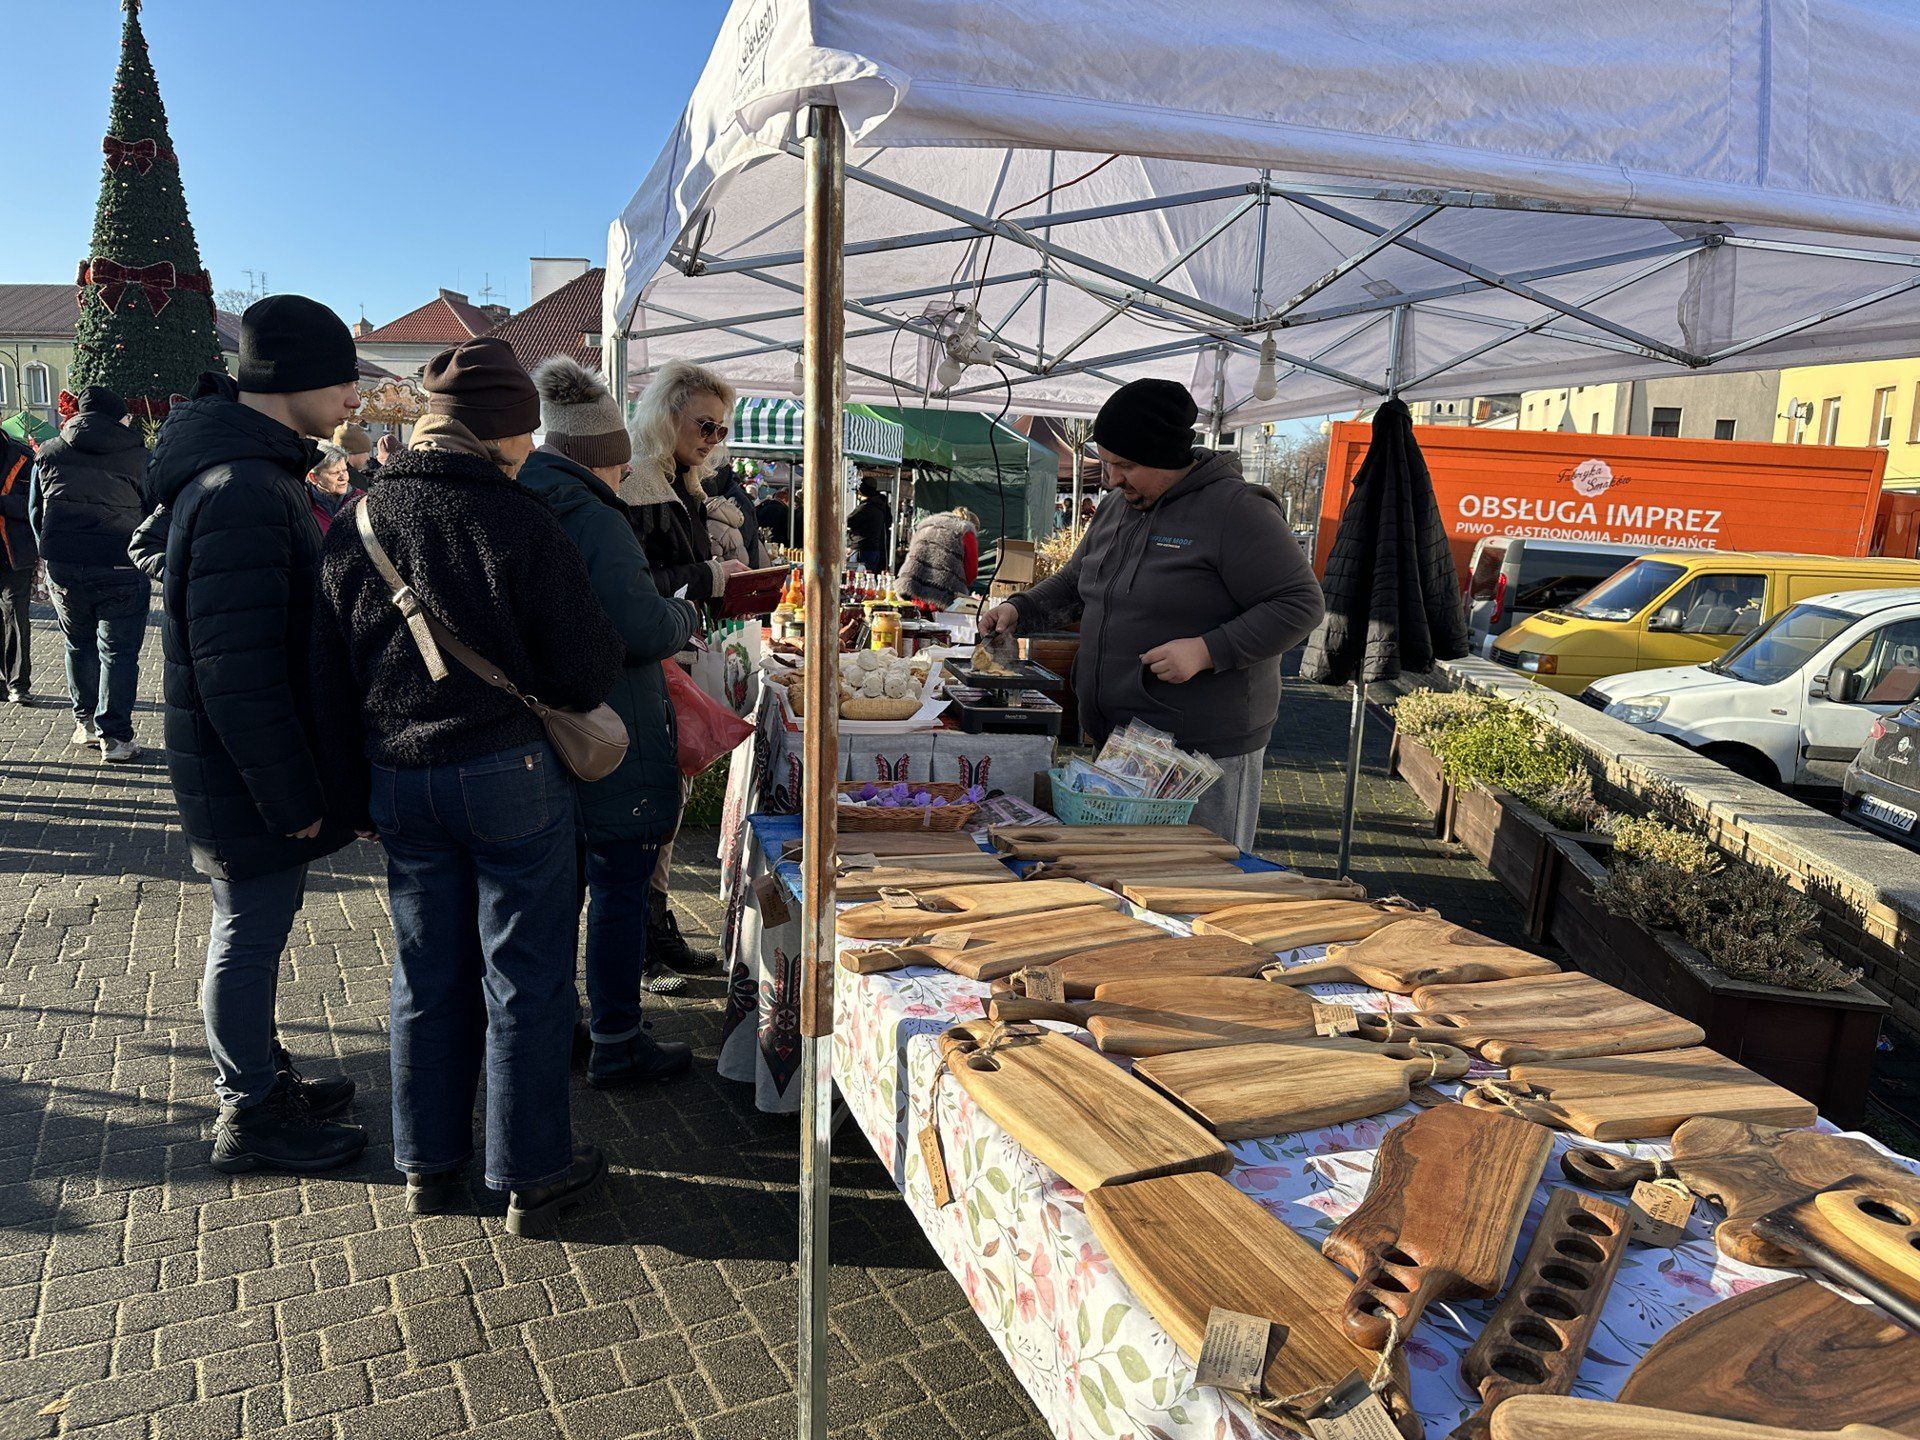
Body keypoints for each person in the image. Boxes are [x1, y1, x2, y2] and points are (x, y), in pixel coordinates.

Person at [310, 336, 625, 1236]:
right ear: (505, 434)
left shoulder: (361, 519)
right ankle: (533, 1175)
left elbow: (326, 672)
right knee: (523, 975)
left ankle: (427, 1165)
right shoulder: (519, 519)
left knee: (425, 972)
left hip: (399, 778)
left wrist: (350, 794)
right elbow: (586, 668)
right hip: (506, 773)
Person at [148, 295, 368, 1173]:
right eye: (343, 376)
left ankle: (263, 1075)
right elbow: (236, 671)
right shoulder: (242, 488)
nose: (356, 394)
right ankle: (250, 1111)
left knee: (252, 927)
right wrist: (289, 795)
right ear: (291, 380)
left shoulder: (253, 472)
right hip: (242, 772)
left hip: (237, 765)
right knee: (246, 933)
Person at [980, 378, 1325, 851]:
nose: (1112, 478)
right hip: (1121, 742)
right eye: (1107, 461)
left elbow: (1300, 603)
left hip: (1199, 754)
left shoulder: (1236, 510)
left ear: (1169, 457)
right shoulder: (1118, 507)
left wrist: (1208, 650)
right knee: (1125, 874)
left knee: (1196, 885)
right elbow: (1077, 581)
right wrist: (1019, 609)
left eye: (1127, 465)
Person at [521, 355, 699, 1086]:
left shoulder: (524, 495)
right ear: (603, 460)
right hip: (608, 730)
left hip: (547, 733)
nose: (626, 477)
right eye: (621, 467)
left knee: (561, 896)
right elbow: (642, 626)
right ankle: (619, 1040)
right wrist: (687, 609)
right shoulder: (593, 515)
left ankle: (560, 1025)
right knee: (620, 889)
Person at [623, 358, 749, 981]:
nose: (712, 439)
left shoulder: (682, 485)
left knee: (670, 798)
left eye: (721, 430)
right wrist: (707, 576)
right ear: (666, 414)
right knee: (655, 802)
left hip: (678, 658)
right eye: (705, 424)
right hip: (650, 667)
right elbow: (636, 587)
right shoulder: (639, 488)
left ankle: (652, 923)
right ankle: (643, 937)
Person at [28, 386, 152, 761]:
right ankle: (114, 737)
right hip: (119, 562)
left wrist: (50, 555)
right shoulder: (139, 456)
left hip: (65, 565)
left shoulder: (49, 453)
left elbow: (37, 512)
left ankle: (84, 724)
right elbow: (152, 511)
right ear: (119, 417)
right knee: (118, 652)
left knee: (78, 644)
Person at [1, 429, 37, 705]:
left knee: (16, 614)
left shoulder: (23, 455)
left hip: (14, 549)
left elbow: (36, 504)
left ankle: (18, 683)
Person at [897, 506, 979, 608]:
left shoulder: (926, 526)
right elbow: (971, 573)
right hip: (941, 599)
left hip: (910, 592)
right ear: (972, 525)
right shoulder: (965, 531)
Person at [303, 441, 364, 535]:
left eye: (344, 470)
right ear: (313, 478)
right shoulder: (301, 504)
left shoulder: (362, 501)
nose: (343, 478)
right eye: (335, 473)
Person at [847, 476, 892, 572]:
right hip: (874, 549)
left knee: (856, 579)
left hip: (861, 549)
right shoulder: (881, 506)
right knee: (868, 577)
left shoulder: (865, 507)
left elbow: (847, 521)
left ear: (861, 491)